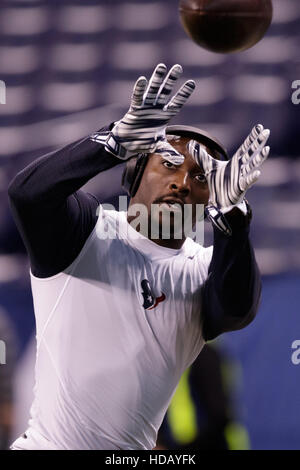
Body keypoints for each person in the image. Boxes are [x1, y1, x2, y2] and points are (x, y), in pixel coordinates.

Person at [7, 64, 269, 450]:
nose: (182, 183)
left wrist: (234, 219)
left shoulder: (202, 268)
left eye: (202, 179)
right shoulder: (86, 230)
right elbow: (27, 195)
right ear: (135, 171)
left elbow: (237, 308)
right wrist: (111, 143)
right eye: (171, 164)